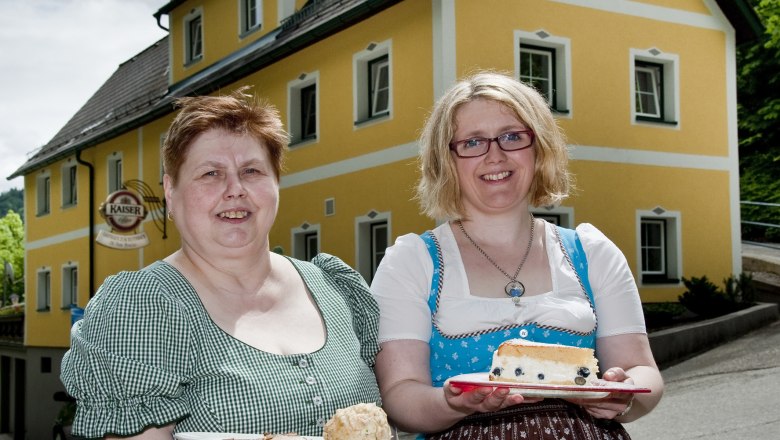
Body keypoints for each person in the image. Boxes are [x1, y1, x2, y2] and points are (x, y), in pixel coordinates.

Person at [61, 88, 382, 438]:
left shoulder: (335, 286)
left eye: (252, 171)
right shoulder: (144, 305)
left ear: (276, 183)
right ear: (171, 192)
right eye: (210, 174)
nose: (235, 189)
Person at [371, 71, 664, 439]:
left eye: (512, 137)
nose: (495, 155)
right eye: (473, 142)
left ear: (538, 147)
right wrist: (452, 403)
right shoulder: (412, 263)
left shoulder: (592, 253)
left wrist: (621, 397)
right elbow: (399, 396)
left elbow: (643, 371)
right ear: (446, 160)